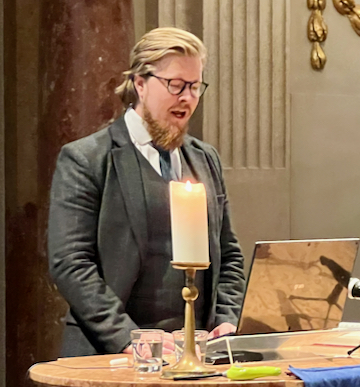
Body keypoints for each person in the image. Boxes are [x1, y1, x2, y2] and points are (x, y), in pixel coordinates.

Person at [48, 27, 245, 357]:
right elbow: (70, 263)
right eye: (176, 85)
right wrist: (127, 337)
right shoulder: (87, 159)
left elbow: (229, 255)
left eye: (195, 87)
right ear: (140, 83)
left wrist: (226, 318)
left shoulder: (204, 158)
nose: (187, 98)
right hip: (109, 355)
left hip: (197, 356)